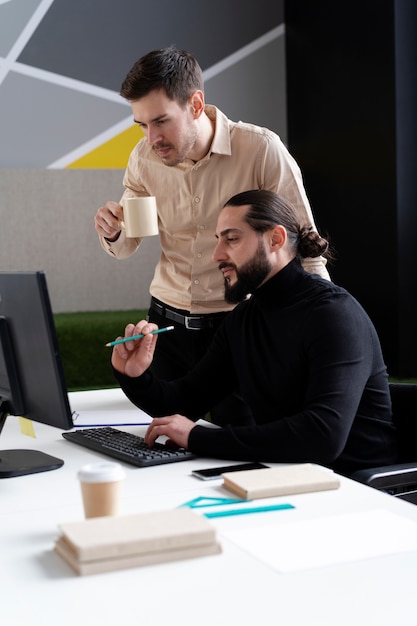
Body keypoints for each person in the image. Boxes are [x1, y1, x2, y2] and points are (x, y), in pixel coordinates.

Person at [95, 46, 330, 425]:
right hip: (165, 327)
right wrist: (114, 232)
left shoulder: (260, 150)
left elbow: (305, 246)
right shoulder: (143, 157)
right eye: (141, 125)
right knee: (162, 444)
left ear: (196, 104)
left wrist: (328, 326)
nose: (151, 138)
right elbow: (127, 243)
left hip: (239, 325)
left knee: (242, 452)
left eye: (161, 121)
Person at [110, 189, 398, 476]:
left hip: (356, 491)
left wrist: (198, 438)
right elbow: (185, 401)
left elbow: (322, 436)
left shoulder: (334, 314)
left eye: (232, 239)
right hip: (285, 475)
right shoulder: (244, 319)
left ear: (276, 239)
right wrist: (134, 376)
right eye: (218, 240)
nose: (217, 255)